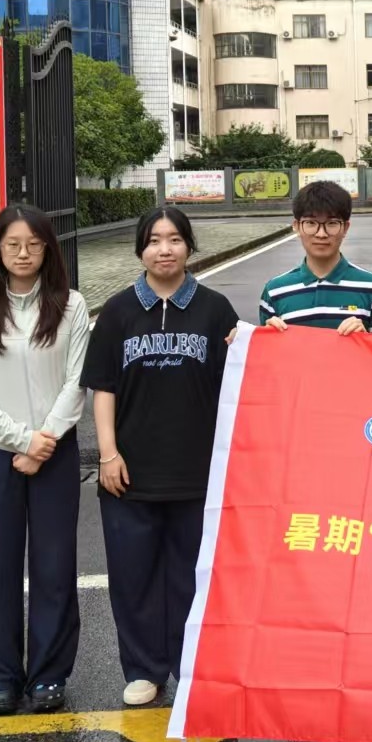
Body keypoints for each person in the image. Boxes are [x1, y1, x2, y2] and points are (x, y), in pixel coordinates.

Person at [85, 206, 239, 707]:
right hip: (130, 473)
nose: (165, 249)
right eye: (154, 240)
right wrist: (108, 454)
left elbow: (241, 382)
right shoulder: (117, 312)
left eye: (174, 239)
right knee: (133, 575)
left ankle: (191, 666)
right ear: (140, 250)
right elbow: (103, 388)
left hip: (198, 472)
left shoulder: (215, 310)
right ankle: (143, 668)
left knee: (193, 575)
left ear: (189, 246)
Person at [0, 204, 89, 716]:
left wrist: (45, 441)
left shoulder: (71, 306)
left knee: (54, 565)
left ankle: (49, 674)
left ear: (48, 249)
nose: (24, 253)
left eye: (34, 244)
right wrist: (22, 440)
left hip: (54, 451)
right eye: (12, 244)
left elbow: (77, 381)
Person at [258, 180, 372, 335]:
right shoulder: (274, 290)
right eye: (311, 223)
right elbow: (262, 350)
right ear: (297, 226)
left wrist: (365, 338)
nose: (321, 234)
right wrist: (268, 337)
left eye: (332, 223)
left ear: (345, 228)